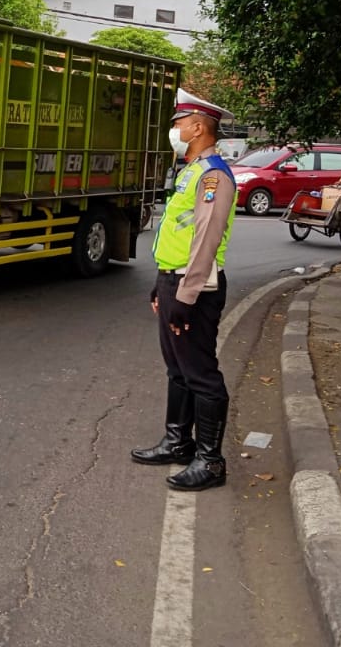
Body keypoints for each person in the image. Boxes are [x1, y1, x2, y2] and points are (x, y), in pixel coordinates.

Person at [131, 89, 237, 492]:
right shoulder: (190, 170)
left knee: (201, 374)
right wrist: (162, 285)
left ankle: (210, 462)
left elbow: (206, 240)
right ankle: (179, 442)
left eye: (178, 124)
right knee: (177, 369)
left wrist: (186, 296)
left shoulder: (213, 176)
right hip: (173, 279)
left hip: (196, 286)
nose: (173, 130)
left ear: (197, 128)